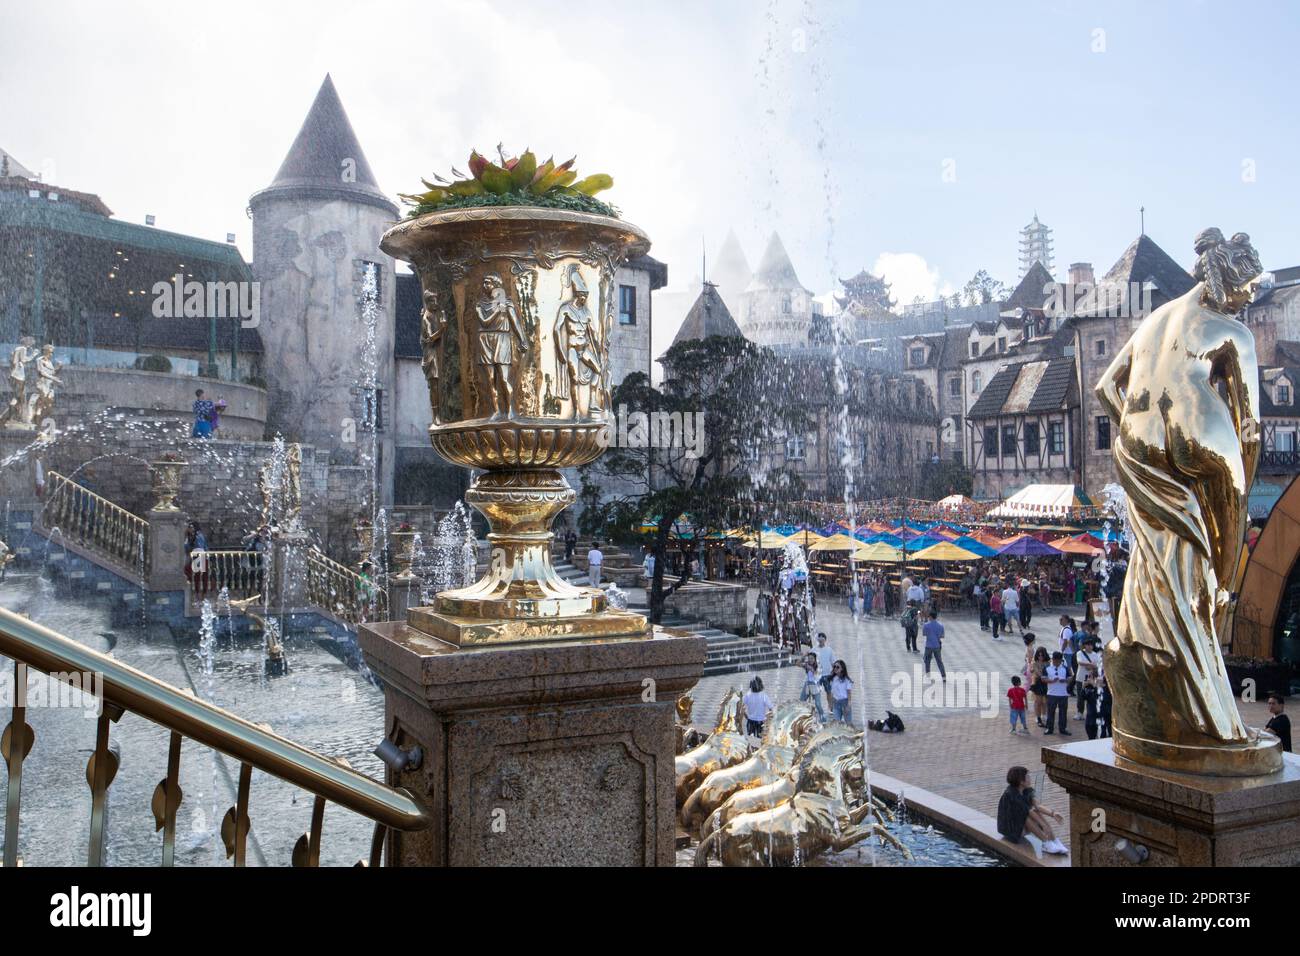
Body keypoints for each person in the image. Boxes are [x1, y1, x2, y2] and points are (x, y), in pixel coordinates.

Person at [997, 766, 1068, 854]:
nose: (1030, 778)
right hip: (1010, 829)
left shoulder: (1026, 790)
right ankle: (1045, 842)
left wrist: (1053, 814)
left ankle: (1054, 840)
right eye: (1027, 777)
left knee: (1035, 811)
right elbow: (1028, 812)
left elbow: (1037, 805)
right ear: (1021, 781)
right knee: (1026, 815)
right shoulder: (1011, 794)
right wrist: (1043, 825)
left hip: (1020, 826)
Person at [1043, 651, 1072, 736]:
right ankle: (1049, 728)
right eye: (1055, 661)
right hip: (1051, 693)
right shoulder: (1047, 668)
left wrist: (1065, 680)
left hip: (1063, 694)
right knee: (1050, 712)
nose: (1057, 663)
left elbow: (1070, 678)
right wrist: (1051, 681)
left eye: (1059, 661)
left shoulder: (1065, 668)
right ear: (1053, 659)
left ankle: (1063, 729)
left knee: (1063, 712)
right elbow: (1043, 679)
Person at [1075, 633, 1101, 721]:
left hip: (1091, 679)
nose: (1089, 647)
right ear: (1084, 646)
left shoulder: (1095, 654)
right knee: (1080, 696)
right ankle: (1080, 712)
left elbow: (1097, 665)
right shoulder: (1080, 653)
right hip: (1081, 678)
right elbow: (1080, 662)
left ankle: (1090, 712)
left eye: (1091, 645)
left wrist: (1090, 666)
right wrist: (1091, 664)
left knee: (1091, 696)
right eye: (1087, 645)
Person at [800, 653, 826, 720]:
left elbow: (817, 675)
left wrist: (811, 669)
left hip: (815, 685)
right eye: (809, 658)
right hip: (807, 684)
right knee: (801, 701)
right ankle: (803, 715)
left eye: (812, 658)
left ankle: (822, 716)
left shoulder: (819, 666)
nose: (810, 660)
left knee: (817, 704)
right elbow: (797, 663)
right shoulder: (807, 664)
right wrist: (804, 656)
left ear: (815, 659)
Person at [922, 609, 946, 681]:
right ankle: (943, 676)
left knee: (927, 661)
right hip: (937, 646)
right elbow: (942, 636)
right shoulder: (940, 625)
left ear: (931, 617)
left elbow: (924, 634)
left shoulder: (926, 625)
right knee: (939, 661)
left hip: (929, 646)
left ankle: (928, 676)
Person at [1030, 645, 1050, 728]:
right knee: (1038, 701)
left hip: (1045, 683)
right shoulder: (1034, 662)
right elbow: (1038, 673)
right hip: (1037, 683)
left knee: (1045, 701)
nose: (1040, 657)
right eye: (1039, 655)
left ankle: (1044, 714)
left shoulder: (1048, 663)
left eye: (1042, 655)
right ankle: (1038, 717)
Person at [815, 633, 836, 709]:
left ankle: (831, 707)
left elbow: (833, 661)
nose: (821, 639)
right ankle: (818, 707)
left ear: (825, 640)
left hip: (827, 674)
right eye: (819, 637)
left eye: (822, 638)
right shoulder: (814, 649)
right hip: (817, 675)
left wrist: (834, 672)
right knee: (816, 692)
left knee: (829, 692)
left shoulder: (829, 650)